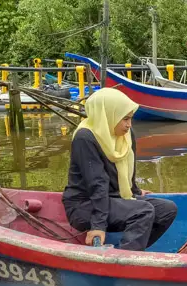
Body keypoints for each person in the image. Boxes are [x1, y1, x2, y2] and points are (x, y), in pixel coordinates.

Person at [62, 88, 178, 251]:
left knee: (167, 209)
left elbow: (129, 170)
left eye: (130, 119)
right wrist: (98, 226)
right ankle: (126, 259)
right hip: (84, 205)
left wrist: (134, 191)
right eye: (125, 119)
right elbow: (97, 183)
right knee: (143, 211)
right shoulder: (85, 138)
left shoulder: (126, 134)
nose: (129, 125)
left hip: (115, 198)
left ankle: (129, 249)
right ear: (109, 115)